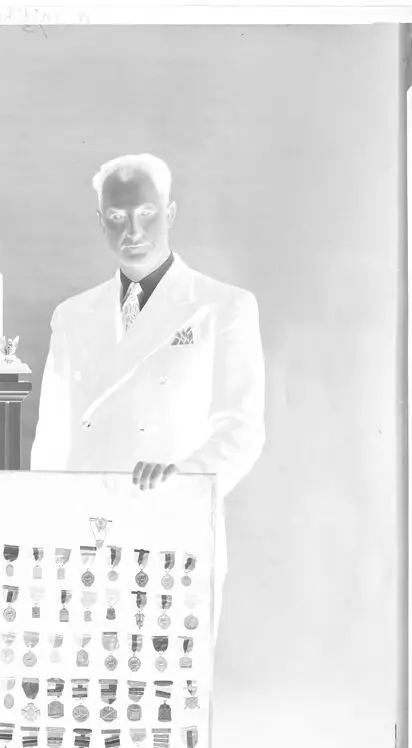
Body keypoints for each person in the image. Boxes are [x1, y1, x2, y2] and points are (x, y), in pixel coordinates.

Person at [30, 152, 265, 631]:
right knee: (79, 688)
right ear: (101, 222)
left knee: (163, 694)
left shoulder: (223, 307)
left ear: (170, 214)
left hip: (171, 528)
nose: (132, 231)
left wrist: (180, 479)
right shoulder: (72, 316)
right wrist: (46, 527)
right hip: (83, 533)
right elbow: (51, 441)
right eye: (117, 217)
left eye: (145, 214)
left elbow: (240, 431)